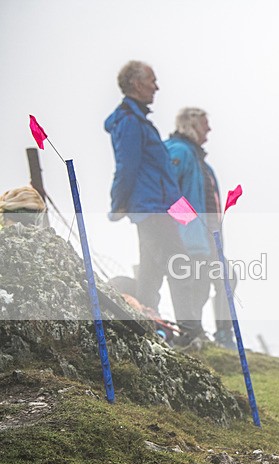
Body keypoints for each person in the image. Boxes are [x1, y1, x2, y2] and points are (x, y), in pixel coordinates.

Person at [104, 60, 190, 328]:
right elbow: (126, 167)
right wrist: (117, 205)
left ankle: (147, 323)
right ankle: (190, 330)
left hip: (160, 208)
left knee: (151, 274)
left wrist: (186, 216)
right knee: (181, 267)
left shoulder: (141, 122)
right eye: (152, 80)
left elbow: (163, 176)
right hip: (151, 210)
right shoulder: (129, 122)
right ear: (136, 84)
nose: (157, 87)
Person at [164, 107, 236, 348]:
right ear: (192, 125)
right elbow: (167, 190)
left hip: (208, 239)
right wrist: (186, 223)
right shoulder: (178, 151)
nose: (210, 129)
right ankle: (192, 335)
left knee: (223, 278)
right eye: (205, 124)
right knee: (198, 286)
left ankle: (218, 334)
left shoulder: (202, 163)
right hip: (190, 238)